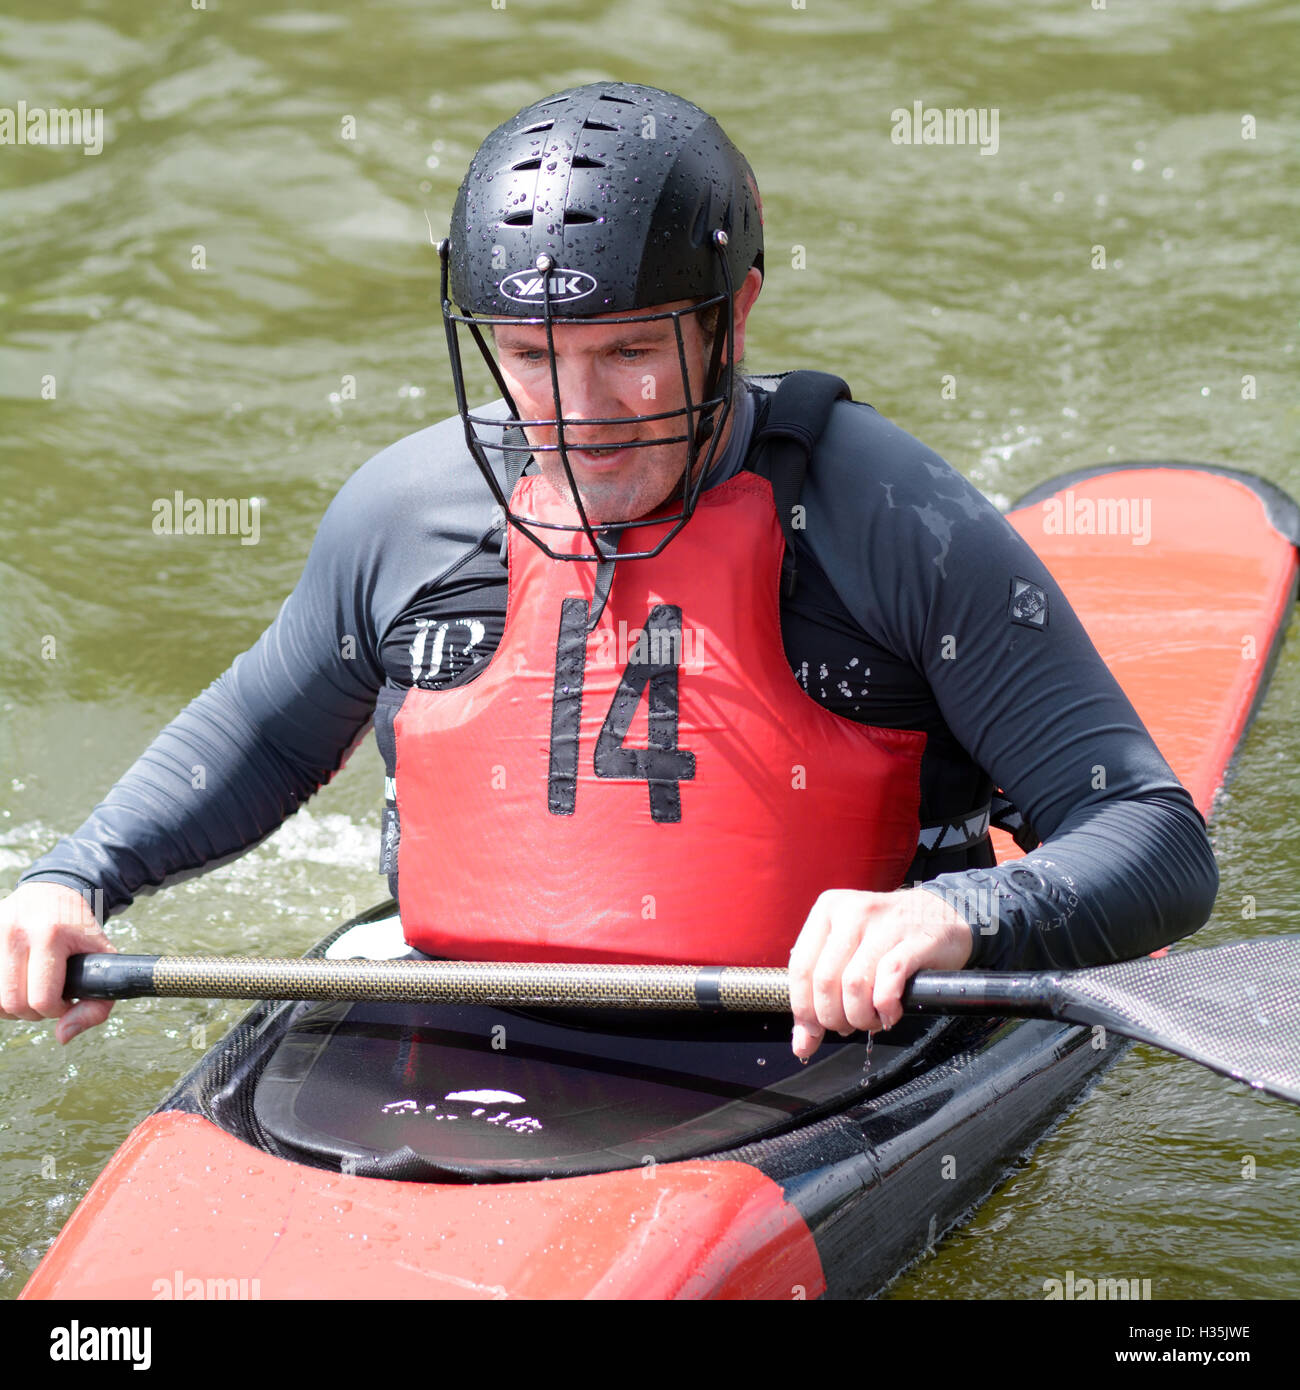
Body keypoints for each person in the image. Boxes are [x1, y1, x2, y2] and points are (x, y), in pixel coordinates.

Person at [0, 82, 1217, 1061]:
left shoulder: (893, 522)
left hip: (822, 1042)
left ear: (731, 322)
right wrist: (78, 874)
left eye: (630, 352)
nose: (578, 416)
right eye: (530, 358)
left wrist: (951, 916)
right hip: (465, 1019)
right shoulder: (406, 515)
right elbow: (261, 743)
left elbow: (1154, 840)